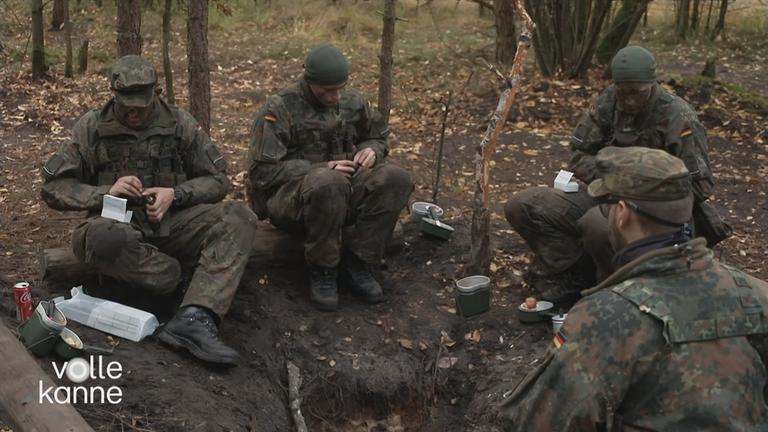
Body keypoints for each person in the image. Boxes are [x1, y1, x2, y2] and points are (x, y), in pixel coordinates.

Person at [500, 146, 768, 431]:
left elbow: (542, 422)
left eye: (608, 206)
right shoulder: (756, 294)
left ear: (622, 214)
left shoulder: (604, 318)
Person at [40, 55, 258, 365]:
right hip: (117, 229)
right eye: (126, 104)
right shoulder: (92, 127)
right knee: (104, 238)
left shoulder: (179, 123)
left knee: (239, 217)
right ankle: (174, 281)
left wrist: (176, 194)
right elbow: (52, 188)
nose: (134, 112)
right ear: (113, 94)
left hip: (174, 225)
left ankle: (194, 318)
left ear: (155, 93)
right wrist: (106, 192)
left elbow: (217, 180)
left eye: (141, 105)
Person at [503, 45, 730, 305]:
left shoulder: (678, 117)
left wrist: (642, 191)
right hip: (607, 193)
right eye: (624, 92)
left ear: (653, 85)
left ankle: (620, 296)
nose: (629, 100)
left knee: (598, 226)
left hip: (658, 215)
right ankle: (577, 275)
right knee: (524, 206)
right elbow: (578, 154)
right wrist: (612, 179)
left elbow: (701, 186)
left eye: (637, 93)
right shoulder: (609, 101)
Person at [247, 44, 413, 311]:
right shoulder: (280, 108)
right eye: (328, 91)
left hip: (344, 190)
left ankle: (359, 261)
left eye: (340, 88)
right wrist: (320, 167)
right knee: (328, 181)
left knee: (396, 178)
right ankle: (323, 269)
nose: (336, 96)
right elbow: (261, 172)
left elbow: (378, 136)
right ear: (310, 82)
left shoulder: (353, 102)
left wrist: (371, 149)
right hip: (291, 200)